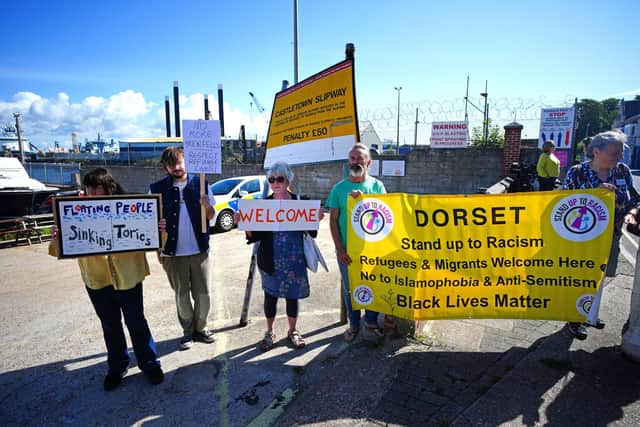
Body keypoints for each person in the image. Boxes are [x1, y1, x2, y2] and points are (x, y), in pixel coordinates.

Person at [49, 168, 163, 391]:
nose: (90, 191)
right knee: (110, 325)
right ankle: (117, 366)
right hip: (97, 279)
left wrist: (158, 230)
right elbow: (58, 250)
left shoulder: (130, 208)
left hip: (128, 277)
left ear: (109, 187)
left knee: (136, 322)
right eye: (87, 187)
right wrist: (58, 237)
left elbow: (155, 240)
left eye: (95, 186)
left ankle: (149, 363)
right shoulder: (75, 211)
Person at [563, 130, 640, 339]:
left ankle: (590, 313)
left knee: (600, 276)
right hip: (582, 238)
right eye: (615, 153)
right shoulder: (577, 172)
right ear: (596, 152)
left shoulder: (622, 171)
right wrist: (595, 192)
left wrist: (631, 214)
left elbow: (634, 200)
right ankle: (575, 318)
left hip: (612, 235)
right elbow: (561, 203)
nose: (619, 158)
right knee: (581, 277)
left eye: (621, 153)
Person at [241, 162, 321, 351]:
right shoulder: (262, 205)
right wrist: (247, 225)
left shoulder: (301, 202)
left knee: (292, 297)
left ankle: (292, 331)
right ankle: (269, 332)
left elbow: (312, 233)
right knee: (271, 297)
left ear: (288, 180)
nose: (275, 183)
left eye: (280, 179)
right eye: (272, 180)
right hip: (270, 260)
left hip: (294, 260)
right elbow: (255, 237)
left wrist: (316, 219)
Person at [150, 147, 216, 350]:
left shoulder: (202, 184)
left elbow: (212, 217)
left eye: (179, 162)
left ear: (186, 161)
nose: (177, 167)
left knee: (203, 294)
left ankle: (201, 328)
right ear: (165, 166)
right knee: (181, 295)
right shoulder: (156, 189)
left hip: (199, 251)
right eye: (172, 164)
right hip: (172, 253)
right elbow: (150, 224)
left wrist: (206, 205)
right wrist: (158, 250)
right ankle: (187, 332)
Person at [326, 143, 387, 342]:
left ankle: (370, 320)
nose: (356, 162)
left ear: (368, 163)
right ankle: (354, 324)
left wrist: (365, 200)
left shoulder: (377, 187)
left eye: (360, 159)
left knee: (372, 284)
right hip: (347, 251)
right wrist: (340, 249)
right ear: (348, 162)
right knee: (350, 288)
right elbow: (333, 221)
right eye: (353, 158)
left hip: (371, 249)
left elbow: (387, 216)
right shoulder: (338, 189)